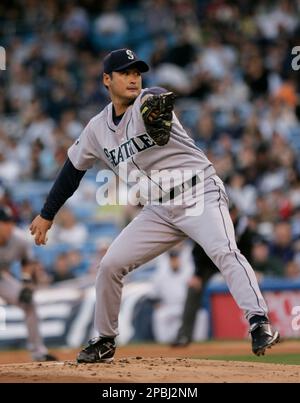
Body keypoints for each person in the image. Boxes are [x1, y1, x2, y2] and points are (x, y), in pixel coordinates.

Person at [30, 48, 279, 363]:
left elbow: (158, 95)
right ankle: (105, 339)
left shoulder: (149, 102)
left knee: (224, 251)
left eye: (137, 72)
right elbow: (72, 171)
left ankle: (259, 321)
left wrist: (155, 105)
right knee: (110, 265)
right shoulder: (96, 128)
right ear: (107, 79)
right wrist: (47, 214)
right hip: (158, 210)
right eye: (125, 73)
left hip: (198, 193)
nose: (134, 78)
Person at [0, 206, 56, 361]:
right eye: (4, 222)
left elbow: (28, 261)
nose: (9, 226)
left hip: (1, 279)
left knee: (29, 303)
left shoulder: (19, 239)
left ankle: (39, 352)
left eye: (10, 222)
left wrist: (25, 281)